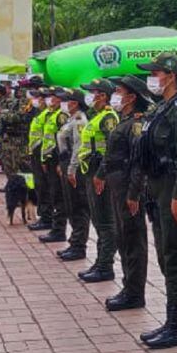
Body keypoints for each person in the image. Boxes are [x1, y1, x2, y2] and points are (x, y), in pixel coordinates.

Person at [135, 52, 177, 349]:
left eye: (155, 73)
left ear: (171, 75)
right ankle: (171, 322)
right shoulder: (162, 107)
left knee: (176, 258)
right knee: (166, 255)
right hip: (160, 189)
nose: (151, 78)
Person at [98, 75, 151, 311]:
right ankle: (128, 286)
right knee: (123, 237)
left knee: (133, 240)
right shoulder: (125, 121)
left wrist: (133, 194)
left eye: (119, 91)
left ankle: (135, 292)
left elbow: (139, 161)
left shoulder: (136, 124)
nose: (115, 95)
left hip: (129, 187)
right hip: (118, 185)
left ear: (131, 97)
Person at [75, 79, 120, 282]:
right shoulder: (98, 115)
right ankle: (100, 261)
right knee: (98, 219)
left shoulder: (109, 117)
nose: (89, 97)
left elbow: (112, 148)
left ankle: (105, 266)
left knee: (106, 221)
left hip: (101, 173)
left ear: (102, 96)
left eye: (92, 92)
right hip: (92, 171)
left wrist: (101, 174)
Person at [54, 88, 91, 262]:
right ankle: (74, 242)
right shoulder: (71, 119)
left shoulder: (79, 121)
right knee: (70, 205)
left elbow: (78, 146)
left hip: (74, 166)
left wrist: (71, 169)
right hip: (67, 162)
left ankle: (79, 246)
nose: (64, 103)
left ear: (75, 103)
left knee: (78, 207)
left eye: (67, 100)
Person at [37, 87, 70, 244]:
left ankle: (59, 230)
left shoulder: (62, 115)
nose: (51, 99)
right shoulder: (51, 114)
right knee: (54, 193)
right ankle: (56, 228)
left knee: (59, 196)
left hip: (57, 160)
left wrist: (59, 162)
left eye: (54, 97)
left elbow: (64, 141)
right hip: (50, 159)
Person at [25, 83, 53, 231]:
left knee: (44, 187)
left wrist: (44, 157)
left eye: (41, 98)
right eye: (37, 98)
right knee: (39, 186)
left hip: (43, 155)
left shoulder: (49, 114)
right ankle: (44, 216)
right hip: (36, 154)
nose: (37, 101)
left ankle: (47, 218)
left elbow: (49, 137)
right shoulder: (39, 113)